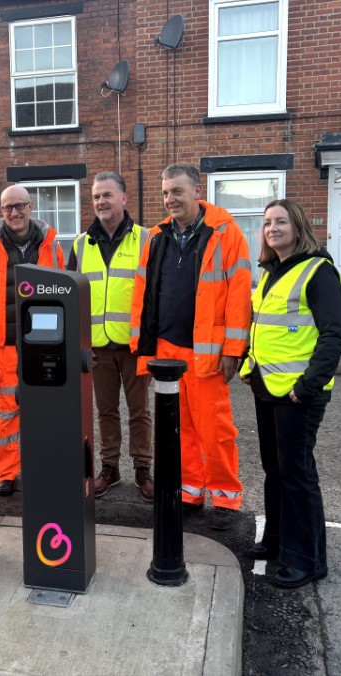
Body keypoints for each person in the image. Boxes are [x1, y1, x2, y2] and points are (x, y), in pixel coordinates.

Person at [129, 163, 251, 530]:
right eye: (166, 193)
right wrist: (143, 350)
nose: (170, 199)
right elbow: (142, 297)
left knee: (215, 429)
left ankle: (226, 499)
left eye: (177, 191)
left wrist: (233, 349)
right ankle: (189, 492)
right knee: (177, 429)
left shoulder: (226, 233)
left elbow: (239, 295)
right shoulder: (155, 237)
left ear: (197, 191)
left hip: (207, 351)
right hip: (166, 350)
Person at [239, 199, 341, 589]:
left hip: (299, 394)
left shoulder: (318, 271)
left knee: (297, 473)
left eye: (280, 221)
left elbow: (334, 334)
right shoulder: (270, 272)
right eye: (267, 223)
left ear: (298, 228)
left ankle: (307, 560)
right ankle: (278, 541)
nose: (272, 228)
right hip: (268, 388)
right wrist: (248, 367)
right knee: (276, 470)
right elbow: (261, 328)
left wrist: (308, 386)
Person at [0, 184, 64, 496]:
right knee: (5, 414)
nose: (15, 212)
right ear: (1, 212)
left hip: (44, 346)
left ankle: (44, 467)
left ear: (31, 206)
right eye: (8, 207)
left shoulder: (52, 247)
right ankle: (6, 473)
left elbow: (66, 294)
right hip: (3, 347)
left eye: (20, 205)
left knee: (45, 411)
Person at [67, 172, 154, 502]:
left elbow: (155, 294)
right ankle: (110, 468)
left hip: (134, 344)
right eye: (95, 197)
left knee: (139, 411)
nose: (101, 202)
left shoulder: (146, 240)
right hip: (97, 348)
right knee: (105, 412)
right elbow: (71, 298)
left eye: (107, 195)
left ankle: (143, 469)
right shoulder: (80, 244)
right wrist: (79, 345)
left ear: (124, 199)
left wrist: (149, 340)